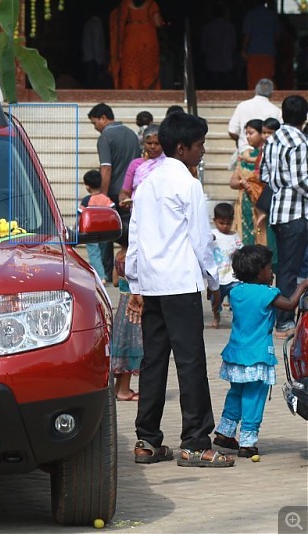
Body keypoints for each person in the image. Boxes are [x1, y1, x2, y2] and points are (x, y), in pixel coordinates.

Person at [125, 112, 234, 468]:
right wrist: (215, 278)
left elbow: (135, 237)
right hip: (180, 284)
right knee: (190, 362)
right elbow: (201, 240)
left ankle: (147, 441)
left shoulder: (147, 183)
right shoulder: (187, 184)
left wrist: (135, 283)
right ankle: (195, 443)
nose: (202, 151)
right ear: (183, 147)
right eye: (200, 145)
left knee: (153, 361)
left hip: (153, 283)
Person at [214, 245, 308, 458]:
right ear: (258, 272)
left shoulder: (235, 292)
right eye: (268, 268)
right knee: (254, 397)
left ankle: (225, 431)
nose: (272, 272)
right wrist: (302, 286)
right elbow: (290, 304)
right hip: (257, 356)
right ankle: (248, 442)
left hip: (236, 354)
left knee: (236, 393)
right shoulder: (267, 294)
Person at [259, 94, 308, 339]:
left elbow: (264, 174)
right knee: (290, 269)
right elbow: (302, 180)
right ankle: (284, 322)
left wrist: (281, 184)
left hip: (278, 210)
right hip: (296, 212)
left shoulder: (273, 138)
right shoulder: (299, 140)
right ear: (305, 117)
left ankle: (290, 317)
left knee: (287, 268)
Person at [88, 102, 140, 279]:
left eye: (95, 123)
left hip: (113, 192)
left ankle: (108, 272)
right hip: (131, 192)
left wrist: (102, 194)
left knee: (107, 233)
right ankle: (130, 269)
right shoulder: (132, 134)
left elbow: (106, 168)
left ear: (104, 118)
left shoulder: (105, 137)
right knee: (130, 233)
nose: (96, 128)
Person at [112, 230, 142, 401]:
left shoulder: (118, 256)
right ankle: (124, 390)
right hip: (134, 306)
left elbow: (115, 282)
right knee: (131, 346)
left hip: (122, 304)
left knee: (121, 344)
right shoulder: (134, 257)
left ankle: (118, 389)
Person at [108, 0, 165, 90]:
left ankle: (130, 93)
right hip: (147, 40)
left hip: (130, 40)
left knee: (131, 71)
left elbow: (116, 19)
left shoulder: (125, 4)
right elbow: (157, 22)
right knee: (147, 72)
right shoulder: (151, 4)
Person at [229, 119, 267, 245]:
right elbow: (232, 182)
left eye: (251, 133)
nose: (248, 136)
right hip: (244, 205)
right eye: (246, 133)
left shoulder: (267, 155)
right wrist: (241, 183)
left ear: (262, 133)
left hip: (261, 205)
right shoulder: (244, 156)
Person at [210, 202, 242, 328]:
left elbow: (240, 249)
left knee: (236, 300)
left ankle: (236, 320)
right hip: (218, 276)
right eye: (221, 223)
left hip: (233, 275)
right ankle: (216, 316)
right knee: (216, 301)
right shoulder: (212, 235)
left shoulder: (234, 236)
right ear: (215, 221)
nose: (224, 226)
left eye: (228, 223)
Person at [227, 79, 281, 155]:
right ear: (272, 93)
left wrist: (241, 140)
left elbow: (232, 131)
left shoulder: (242, 106)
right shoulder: (276, 111)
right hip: (266, 153)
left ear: (255, 90)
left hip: (244, 150)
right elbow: (279, 134)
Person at [79, 169, 114, 283]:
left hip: (91, 232)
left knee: (94, 253)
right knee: (104, 253)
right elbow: (112, 212)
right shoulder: (107, 199)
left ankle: (101, 276)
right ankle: (105, 273)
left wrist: (77, 229)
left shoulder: (86, 200)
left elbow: (81, 216)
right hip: (105, 231)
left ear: (87, 186)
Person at [241, 0, 281, 91]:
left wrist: (243, 49)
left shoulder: (251, 15)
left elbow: (247, 34)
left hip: (253, 52)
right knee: (268, 78)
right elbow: (277, 35)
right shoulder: (272, 15)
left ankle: (254, 100)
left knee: (253, 80)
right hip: (269, 52)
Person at [120, 124, 164, 203]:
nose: (153, 147)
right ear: (143, 143)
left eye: (157, 143)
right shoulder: (135, 164)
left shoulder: (168, 163)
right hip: (139, 209)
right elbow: (125, 191)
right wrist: (124, 199)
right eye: (149, 143)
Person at [201, 4, 237, 90]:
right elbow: (234, 45)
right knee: (227, 88)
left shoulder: (207, 27)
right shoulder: (229, 27)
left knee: (214, 87)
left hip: (212, 63)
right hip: (226, 62)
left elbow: (203, 47)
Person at [82, 14, 110, 89]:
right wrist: (100, 62)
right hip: (94, 62)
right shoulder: (96, 23)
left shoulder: (88, 24)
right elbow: (97, 43)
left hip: (88, 60)